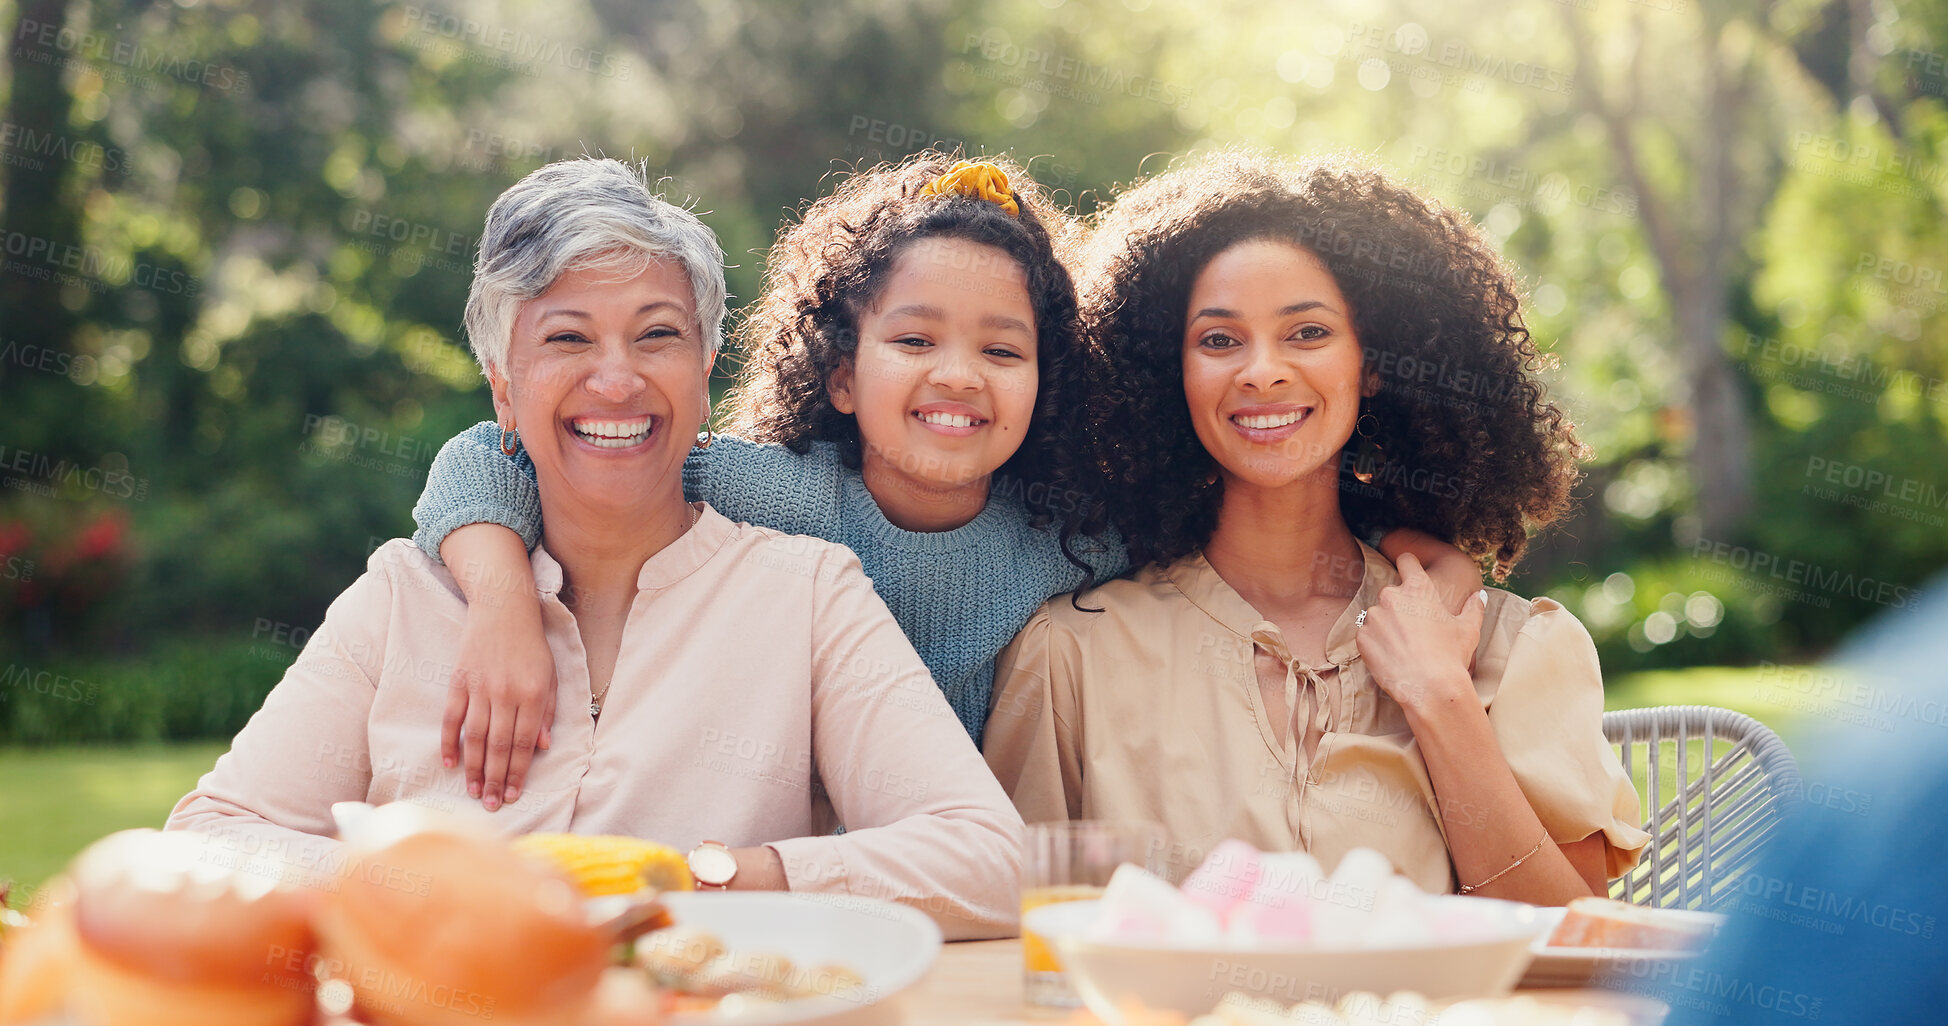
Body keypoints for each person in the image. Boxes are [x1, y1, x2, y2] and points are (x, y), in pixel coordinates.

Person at [407, 149, 1511, 808]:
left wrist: (1423, 547)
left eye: (1001, 349)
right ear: (841, 374)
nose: (957, 378)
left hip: (972, 891)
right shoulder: (777, 494)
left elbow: (1262, 499)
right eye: (913, 342)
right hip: (791, 885)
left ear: (1047, 381)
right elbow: (501, 450)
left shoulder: (1072, 542)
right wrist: (504, 600)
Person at [166, 158, 1022, 940]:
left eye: (657, 336)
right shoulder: (404, 598)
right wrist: (427, 887)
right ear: (503, 388)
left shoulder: (809, 595)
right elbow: (206, 844)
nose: (617, 380)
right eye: (568, 339)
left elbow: (991, 863)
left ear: (705, 369)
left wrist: (708, 881)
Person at [984, 151, 1648, 904]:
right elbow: (1022, 943)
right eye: (1219, 340)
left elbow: (1583, 950)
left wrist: (1441, 699)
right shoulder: (1070, 656)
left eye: (1307, 333)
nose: (1262, 371)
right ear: (1171, 375)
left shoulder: (1508, 649)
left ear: (1374, 365)